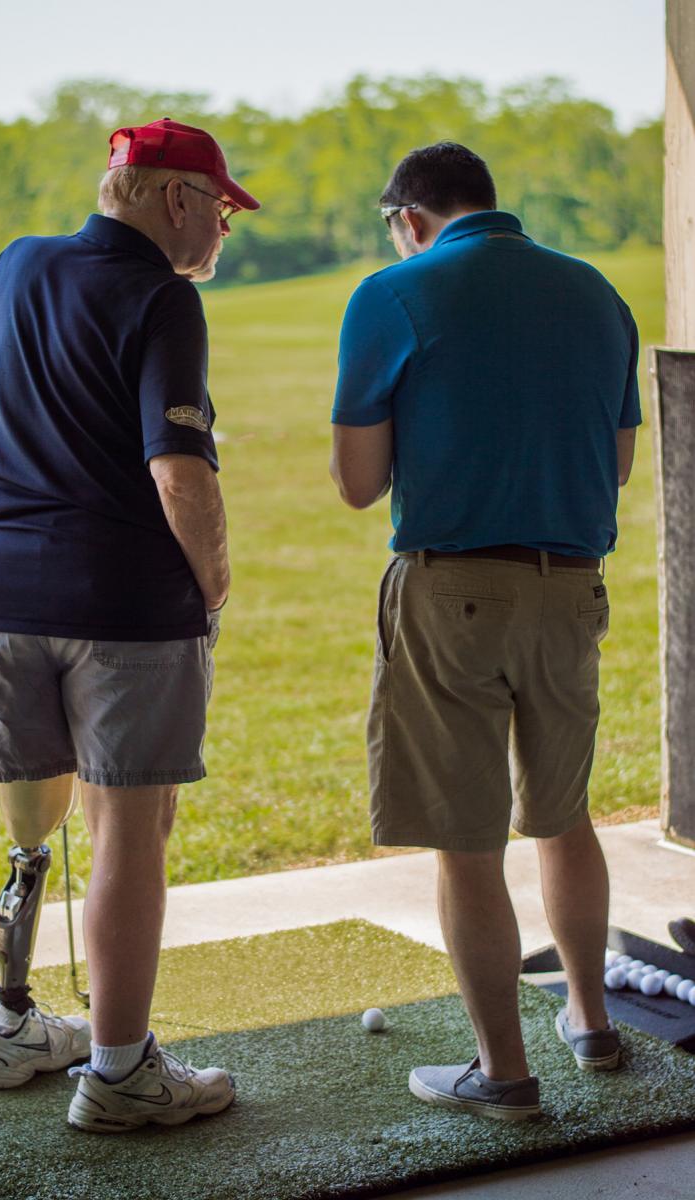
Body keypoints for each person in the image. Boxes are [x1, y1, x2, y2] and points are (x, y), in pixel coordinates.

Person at [0, 118, 259, 1132]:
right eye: (220, 209)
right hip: (124, 607)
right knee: (133, 829)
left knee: (32, 836)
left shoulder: (16, 265)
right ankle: (120, 1073)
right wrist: (211, 589)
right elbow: (180, 472)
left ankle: (9, 1030)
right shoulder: (164, 297)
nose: (224, 232)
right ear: (176, 198)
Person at [330, 142, 639, 1121]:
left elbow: (357, 483)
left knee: (467, 843)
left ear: (408, 217)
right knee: (562, 815)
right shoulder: (597, 293)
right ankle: (590, 1023)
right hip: (573, 590)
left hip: (453, 590)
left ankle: (502, 1074)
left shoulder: (394, 290)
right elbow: (621, 462)